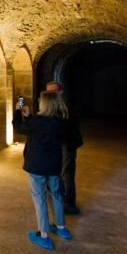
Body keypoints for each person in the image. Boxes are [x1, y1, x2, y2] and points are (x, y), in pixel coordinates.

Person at [13, 91, 73, 250]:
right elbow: (44, 127)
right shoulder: (61, 121)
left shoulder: (37, 122)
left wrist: (17, 111)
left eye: (40, 100)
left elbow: (20, 128)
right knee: (57, 195)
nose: (38, 101)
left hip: (38, 166)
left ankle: (43, 235)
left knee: (39, 198)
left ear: (45, 103)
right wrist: (30, 116)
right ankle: (61, 228)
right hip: (54, 165)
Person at [46, 81, 84, 215]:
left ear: (60, 92)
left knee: (66, 174)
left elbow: (69, 127)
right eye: (48, 92)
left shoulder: (67, 108)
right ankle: (58, 199)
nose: (51, 95)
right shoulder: (50, 108)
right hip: (54, 146)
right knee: (55, 173)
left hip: (66, 145)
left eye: (54, 91)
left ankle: (69, 204)